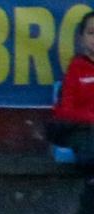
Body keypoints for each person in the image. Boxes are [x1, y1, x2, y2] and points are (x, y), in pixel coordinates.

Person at [48, 13, 94, 170]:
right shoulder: (75, 68)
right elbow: (65, 111)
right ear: (81, 38)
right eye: (91, 33)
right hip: (81, 129)